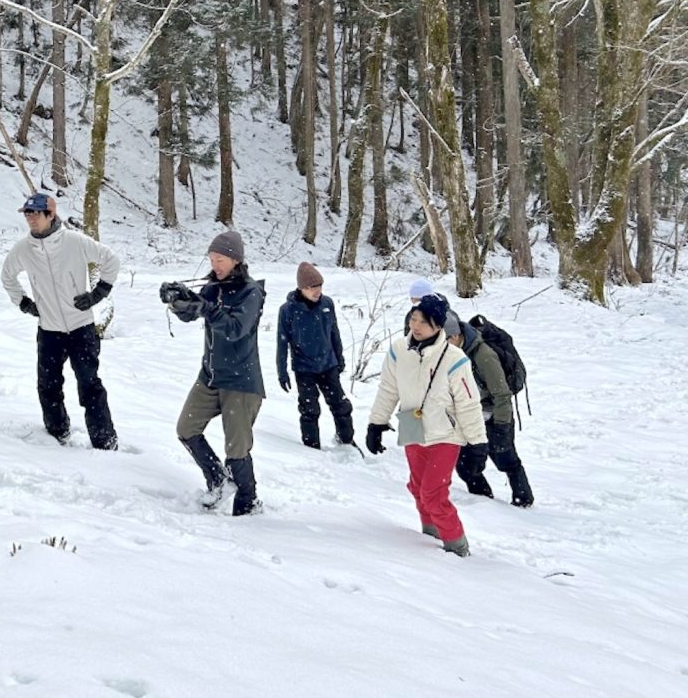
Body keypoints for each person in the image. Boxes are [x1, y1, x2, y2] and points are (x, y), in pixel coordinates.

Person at [365, 294, 487, 556]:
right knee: (418, 488)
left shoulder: (455, 359)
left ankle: (456, 546)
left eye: (423, 322)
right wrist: (376, 423)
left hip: (445, 434)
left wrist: (478, 443)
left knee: (433, 493)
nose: (416, 326)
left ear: (439, 326)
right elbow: (388, 389)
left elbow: (468, 404)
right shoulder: (399, 350)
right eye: (413, 319)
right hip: (412, 424)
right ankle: (430, 538)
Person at [0, 193, 120, 450]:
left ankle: (105, 441)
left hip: (81, 329)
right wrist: (24, 303)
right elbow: (7, 276)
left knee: (89, 385)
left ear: (51, 215)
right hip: (49, 330)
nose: (30, 219)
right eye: (27, 214)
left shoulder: (74, 241)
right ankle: (57, 434)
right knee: (48, 386)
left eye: (35, 214)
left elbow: (111, 260)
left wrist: (98, 293)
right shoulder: (23, 249)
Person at [160, 229, 266, 514]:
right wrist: (177, 299)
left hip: (240, 381)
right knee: (186, 429)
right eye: (211, 258)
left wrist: (205, 308)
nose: (215, 264)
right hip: (209, 377)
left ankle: (248, 505)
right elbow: (191, 312)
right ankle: (218, 480)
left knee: (237, 449)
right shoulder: (213, 288)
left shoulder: (251, 292)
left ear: (235, 260)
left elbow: (235, 328)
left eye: (220, 259)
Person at [446, 313, 535, 507]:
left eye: (444, 341)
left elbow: (502, 394)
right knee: (466, 465)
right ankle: (484, 504)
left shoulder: (483, 355)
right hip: (470, 415)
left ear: (455, 336)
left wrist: (502, 426)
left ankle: (524, 502)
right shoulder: (451, 354)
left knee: (505, 459)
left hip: (495, 415)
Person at [275, 262, 354, 450]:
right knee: (309, 410)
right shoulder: (288, 310)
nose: (317, 291)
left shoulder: (327, 304)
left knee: (340, 406)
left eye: (319, 286)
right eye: (312, 287)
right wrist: (282, 372)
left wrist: (339, 358)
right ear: (302, 288)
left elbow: (334, 332)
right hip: (304, 368)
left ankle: (347, 442)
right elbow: (282, 342)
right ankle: (312, 449)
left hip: (328, 364)